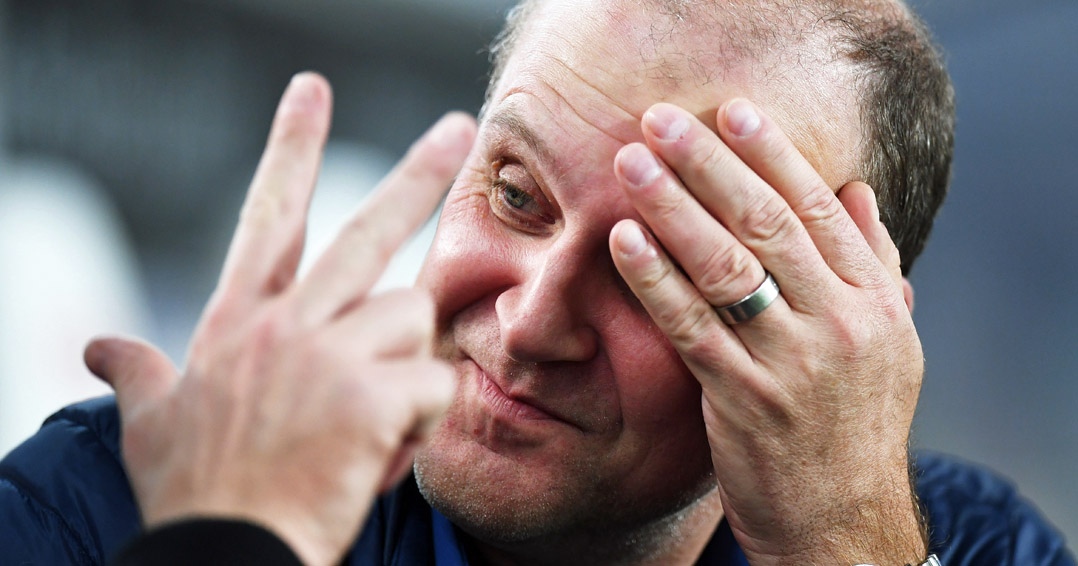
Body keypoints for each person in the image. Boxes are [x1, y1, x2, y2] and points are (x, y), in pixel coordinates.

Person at [1, 0, 1073, 564]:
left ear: (845, 328)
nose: (527, 322)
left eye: (654, 267)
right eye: (513, 193)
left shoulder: (958, 545)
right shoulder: (131, 496)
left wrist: (846, 548)